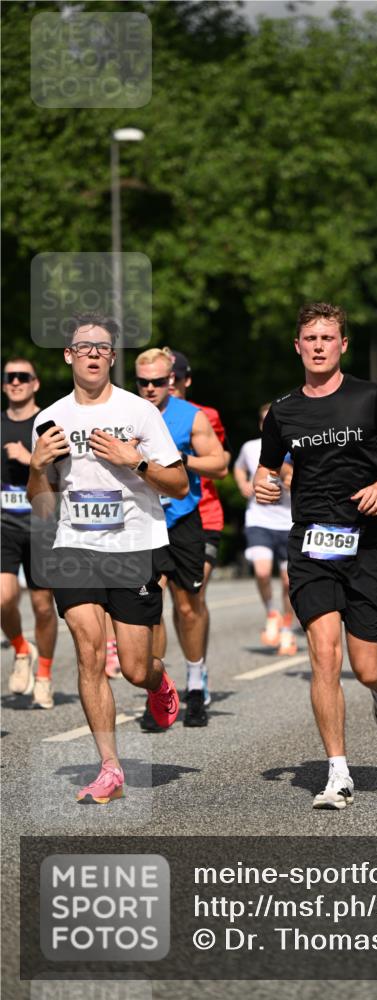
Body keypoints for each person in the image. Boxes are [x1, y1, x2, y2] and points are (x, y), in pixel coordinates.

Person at [254, 302, 377, 810]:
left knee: (366, 668)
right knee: (325, 655)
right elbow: (267, 470)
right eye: (311, 338)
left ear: (342, 345)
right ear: (297, 346)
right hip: (312, 545)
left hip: (367, 544)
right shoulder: (283, 411)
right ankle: (338, 773)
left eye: (328, 337)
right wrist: (263, 485)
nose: (319, 346)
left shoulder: (369, 397)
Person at [27, 315, 186, 803]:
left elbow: (179, 484)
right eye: (84, 346)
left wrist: (133, 460)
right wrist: (37, 467)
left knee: (135, 668)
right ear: (68, 356)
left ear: (113, 356)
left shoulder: (140, 412)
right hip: (75, 545)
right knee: (89, 651)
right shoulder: (49, 419)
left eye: (102, 346)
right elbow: (42, 505)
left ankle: (157, 682)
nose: (93, 353)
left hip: (133, 546)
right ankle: (110, 768)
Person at [135, 348, 227, 728]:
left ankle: (195, 684)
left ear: (171, 379)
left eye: (158, 381)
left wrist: (182, 459)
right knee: (149, 609)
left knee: (188, 607)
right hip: (142, 522)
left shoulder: (191, 416)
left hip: (185, 520)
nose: (151, 388)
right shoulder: (124, 412)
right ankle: (157, 690)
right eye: (143, 382)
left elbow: (220, 465)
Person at [167, 349, 231, 660]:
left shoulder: (204, 415)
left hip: (204, 513)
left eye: (174, 378)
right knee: (174, 601)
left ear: (186, 380)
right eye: (159, 379)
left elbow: (223, 459)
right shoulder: (141, 416)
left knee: (193, 596)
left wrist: (185, 459)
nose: (167, 384)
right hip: (162, 516)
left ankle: (197, 670)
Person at [1, 358, 58, 707]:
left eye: (23, 376)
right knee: (3, 598)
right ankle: (22, 649)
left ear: (35, 383)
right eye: (10, 377)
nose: (16, 381)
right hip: (5, 524)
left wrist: (30, 460)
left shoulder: (46, 425)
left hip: (41, 525)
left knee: (42, 606)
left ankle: (45, 676)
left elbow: (63, 472)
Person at [234, 404, 297, 656]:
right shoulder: (250, 448)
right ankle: (272, 612)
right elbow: (239, 467)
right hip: (259, 519)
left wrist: (290, 479)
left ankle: (287, 629)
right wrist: (242, 484)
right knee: (261, 572)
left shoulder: (295, 447)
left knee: (288, 581)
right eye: (265, 421)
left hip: (289, 522)